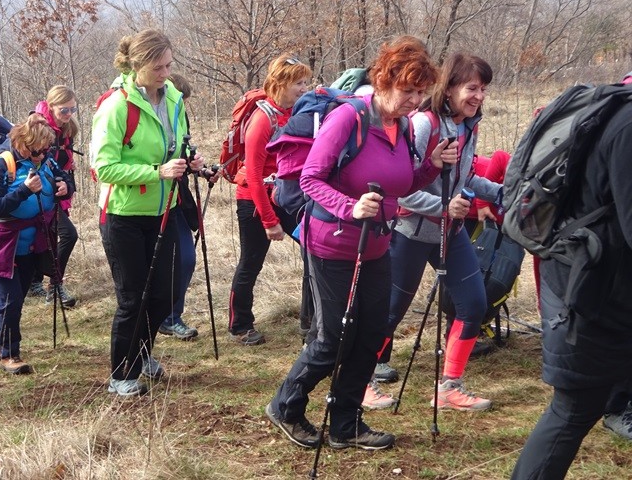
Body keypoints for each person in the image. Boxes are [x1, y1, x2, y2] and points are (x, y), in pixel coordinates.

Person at [267, 35, 456, 450]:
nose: (415, 101)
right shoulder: (349, 118)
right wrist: (349, 207)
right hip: (331, 244)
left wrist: (431, 167)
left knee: (371, 333)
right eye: (408, 91)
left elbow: (401, 185)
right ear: (384, 81)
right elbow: (310, 179)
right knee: (332, 337)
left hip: (376, 245)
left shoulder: (402, 127)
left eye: (422, 92)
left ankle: (346, 424)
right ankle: (287, 406)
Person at [366, 53, 502, 411]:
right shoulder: (424, 124)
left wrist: (504, 192)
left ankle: (449, 387)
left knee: (473, 303)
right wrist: (441, 208)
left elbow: (464, 177)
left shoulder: (468, 124)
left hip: (450, 231)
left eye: (483, 89)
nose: (479, 96)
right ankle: (360, 381)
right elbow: (402, 186)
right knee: (390, 312)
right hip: (410, 231)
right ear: (451, 87)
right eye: (472, 88)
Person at [510, 83, 632, 479]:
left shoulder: (614, 107)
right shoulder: (628, 123)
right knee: (575, 408)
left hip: (584, 277)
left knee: (577, 406)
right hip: (594, 289)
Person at [91, 29, 204, 397]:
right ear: (137, 65)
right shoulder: (116, 106)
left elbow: (178, 145)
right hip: (123, 215)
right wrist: (155, 172)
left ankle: (141, 352)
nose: (166, 73)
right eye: (159, 67)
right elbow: (103, 168)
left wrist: (190, 161)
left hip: (166, 208)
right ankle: (122, 373)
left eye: (169, 65)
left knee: (166, 289)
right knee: (133, 296)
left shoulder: (172, 98)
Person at [0, 113, 70, 375]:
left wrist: (66, 186)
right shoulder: (0, 166)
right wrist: (24, 191)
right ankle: (10, 354)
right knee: (12, 299)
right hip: (1, 245)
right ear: (23, 144)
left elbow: (64, 178)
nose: (42, 155)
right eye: (37, 150)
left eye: (46, 149)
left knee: (13, 298)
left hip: (32, 244)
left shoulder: (46, 161)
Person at [228, 54, 310, 346]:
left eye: (305, 82)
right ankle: (240, 325)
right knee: (251, 261)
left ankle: (310, 321)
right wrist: (269, 221)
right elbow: (251, 172)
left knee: (315, 249)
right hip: (255, 199)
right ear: (280, 83)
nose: (304, 88)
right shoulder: (263, 119)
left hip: (286, 195)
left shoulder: (297, 112)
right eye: (298, 82)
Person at [29, 85, 79, 309]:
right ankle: (54, 287)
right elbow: (31, 161)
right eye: (64, 110)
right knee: (68, 235)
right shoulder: (39, 127)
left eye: (72, 110)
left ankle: (35, 282)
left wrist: (68, 169)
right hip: (41, 192)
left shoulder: (68, 129)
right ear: (51, 107)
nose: (68, 115)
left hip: (60, 190)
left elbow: (62, 160)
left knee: (48, 237)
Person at [158, 73, 201, 340]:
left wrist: (196, 164)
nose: (183, 106)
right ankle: (160, 316)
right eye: (181, 101)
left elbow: (183, 154)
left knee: (185, 258)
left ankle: (171, 316)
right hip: (148, 201)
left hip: (177, 199)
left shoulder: (178, 119)